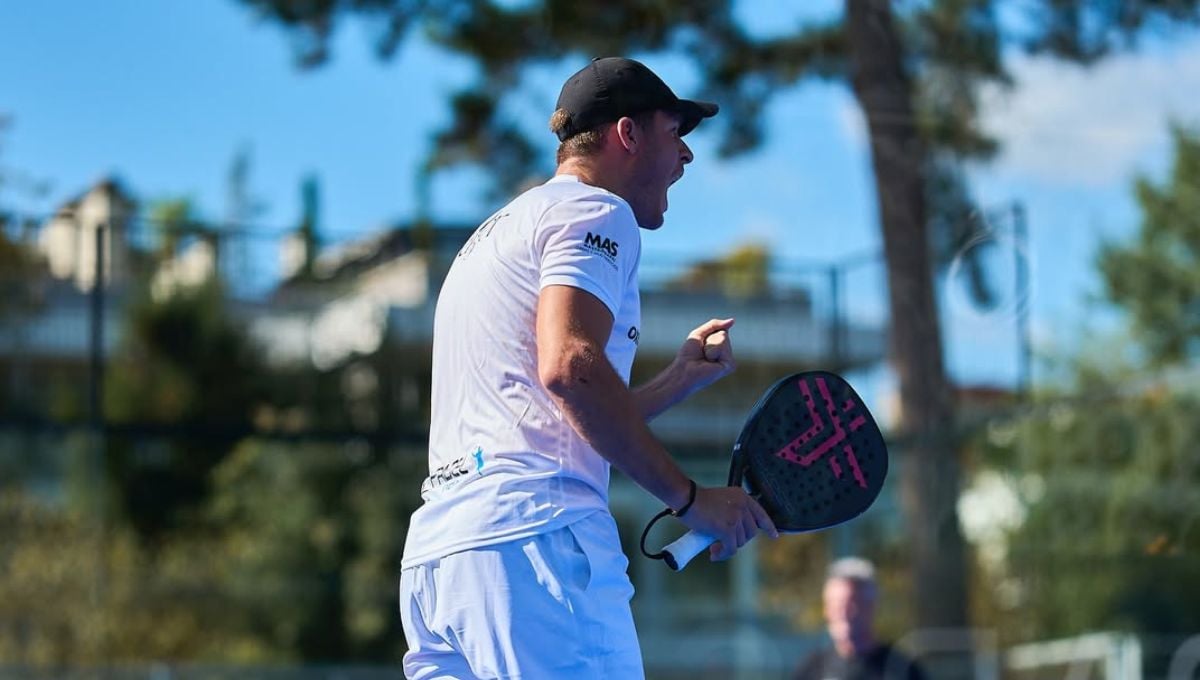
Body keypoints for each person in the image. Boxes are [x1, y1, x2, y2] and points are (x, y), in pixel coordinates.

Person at [397, 56, 778, 679]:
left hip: (441, 563)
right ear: (627, 135)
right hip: (536, 546)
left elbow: (553, 411)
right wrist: (691, 500)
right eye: (674, 131)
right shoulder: (599, 213)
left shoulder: (492, 235)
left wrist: (676, 381)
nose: (685, 156)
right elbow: (571, 369)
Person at [793, 558, 927, 680]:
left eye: (851, 604)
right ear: (826, 609)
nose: (843, 614)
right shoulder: (811, 670)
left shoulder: (901, 669)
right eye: (836, 605)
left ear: (871, 607)